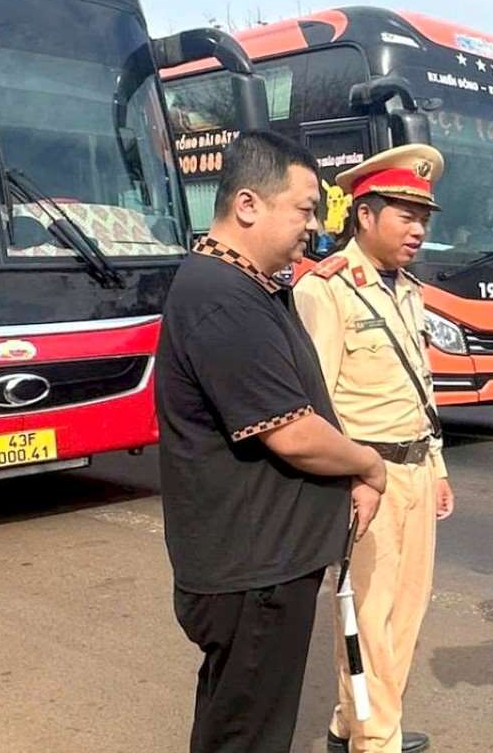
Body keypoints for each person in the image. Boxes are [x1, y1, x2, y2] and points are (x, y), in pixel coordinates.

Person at [155, 130, 388, 753]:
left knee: (235, 725)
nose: (312, 227)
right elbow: (292, 432)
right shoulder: (220, 297)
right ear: (249, 205)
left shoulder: (250, 283)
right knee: (247, 738)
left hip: (262, 562)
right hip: (252, 571)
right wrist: (369, 465)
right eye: (304, 209)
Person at [293, 144, 455, 753]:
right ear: (365, 214)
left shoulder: (405, 289)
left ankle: (353, 723)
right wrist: (351, 480)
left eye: (425, 218)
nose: (419, 230)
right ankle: (374, 739)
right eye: (406, 215)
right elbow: (317, 405)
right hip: (369, 478)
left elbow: (421, 389)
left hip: (414, 469)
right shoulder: (328, 291)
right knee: (369, 618)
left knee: (406, 614)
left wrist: (436, 466)